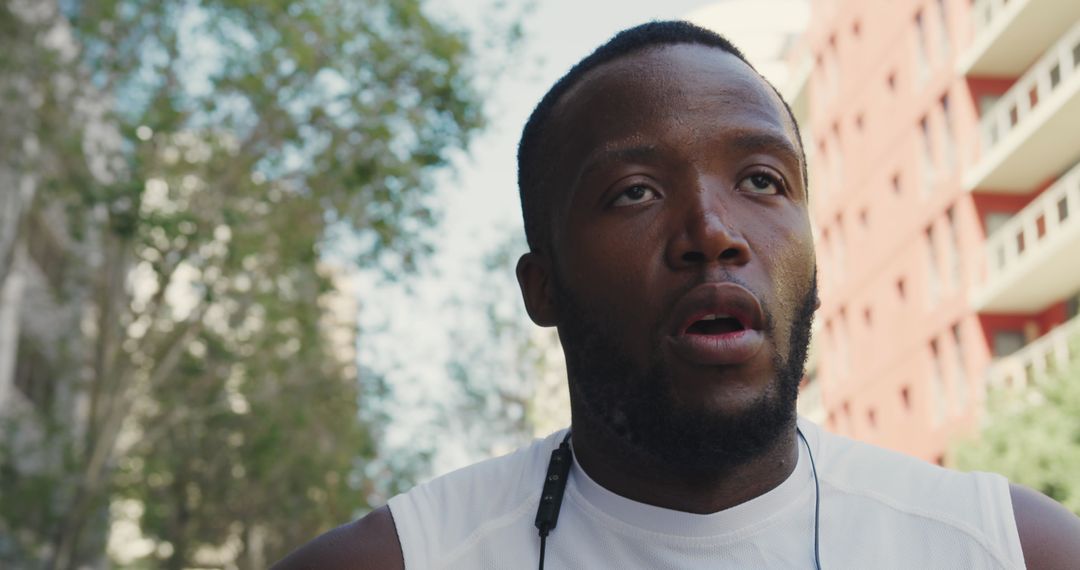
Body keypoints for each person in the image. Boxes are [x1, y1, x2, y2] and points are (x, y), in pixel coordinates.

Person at [275, 21, 1080, 569]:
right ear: (542, 286)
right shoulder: (403, 560)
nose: (712, 230)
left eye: (762, 180)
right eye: (634, 192)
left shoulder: (1009, 551)